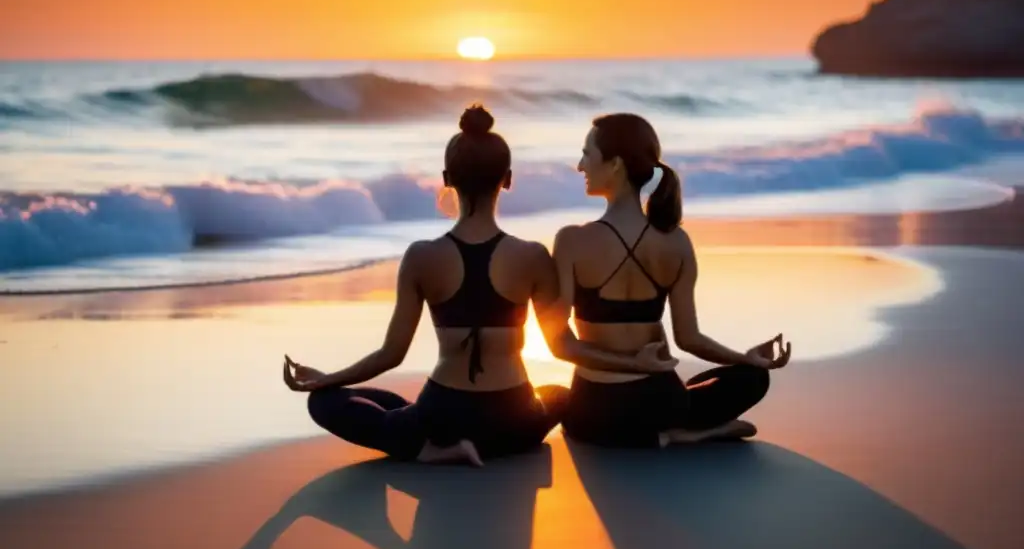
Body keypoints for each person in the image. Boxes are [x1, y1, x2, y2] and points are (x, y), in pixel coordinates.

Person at [282, 105, 583, 466]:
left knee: (329, 402)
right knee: (558, 395)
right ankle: (450, 435)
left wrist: (327, 380)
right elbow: (559, 343)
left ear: (446, 178)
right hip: (516, 422)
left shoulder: (422, 257)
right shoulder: (533, 255)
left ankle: (431, 448)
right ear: (507, 179)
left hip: (444, 414)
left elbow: (390, 355)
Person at [541, 112, 791, 448]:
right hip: (663, 403)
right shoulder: (677, 243)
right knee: (751, 378)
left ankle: (667, 435)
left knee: (553, 398)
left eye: (587, 154)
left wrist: (629, 364)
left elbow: (561, 345)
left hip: (593, 415)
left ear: (615, 164)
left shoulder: (571, 241)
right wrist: (746, 359)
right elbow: (689, 339)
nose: (580, 166)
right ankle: (683, 430)